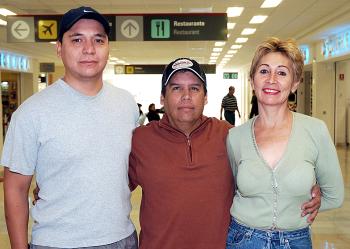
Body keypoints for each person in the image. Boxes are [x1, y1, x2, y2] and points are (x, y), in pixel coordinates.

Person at [128, 57, 321, 249]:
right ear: (163, 97)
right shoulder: (141, 139)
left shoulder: (229, 135)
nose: (186, 95)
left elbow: (267, 176)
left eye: (194, 88)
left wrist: (309, 190)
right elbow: (113, 189)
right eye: (176, 88)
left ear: (205, 97)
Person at [2, 6, 139, 249]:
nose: (89, 49)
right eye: (77, 39)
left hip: (122, 239)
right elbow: (15, 188)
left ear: (108, 47)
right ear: (59, 49)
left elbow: (126, 167)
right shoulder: (31, 113)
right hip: (57, 243)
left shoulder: (126, 103)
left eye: (98, 40)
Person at [226, 37, 344, 249]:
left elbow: (335, 196)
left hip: (296, 241)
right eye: (263, 71)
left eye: (282, 72)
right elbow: (232, 188)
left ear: (294, 84)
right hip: (243, 240)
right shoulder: (236, 137)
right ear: (252, 81)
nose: (272, 79)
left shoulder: (315, 130)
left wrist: (312, 204)